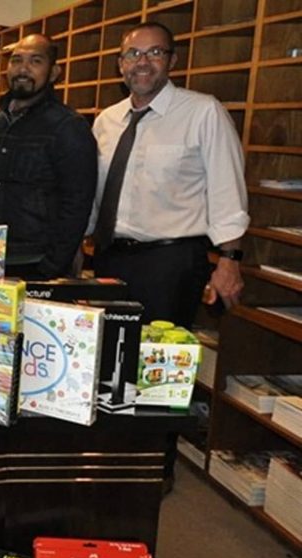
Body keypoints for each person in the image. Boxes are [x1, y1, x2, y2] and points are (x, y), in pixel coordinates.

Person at [91, 21, 248, 328]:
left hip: (170, 264)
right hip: (109, 257)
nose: (142, 62)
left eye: (155, 52)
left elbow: (227, 190)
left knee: (158, 353)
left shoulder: (203, 112)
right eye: (133, 53)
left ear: (172, 60)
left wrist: (230, 260)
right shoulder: (106, 120)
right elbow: (95, 192)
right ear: (120, 64)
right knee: (108, 349)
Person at [0, 34, 97, 279]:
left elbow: (77, 203)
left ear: (54, 73)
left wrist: (52, 266)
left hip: (36, 262)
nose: (23, 69)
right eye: (16, 60)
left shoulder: (68, 126)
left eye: (35, 61)